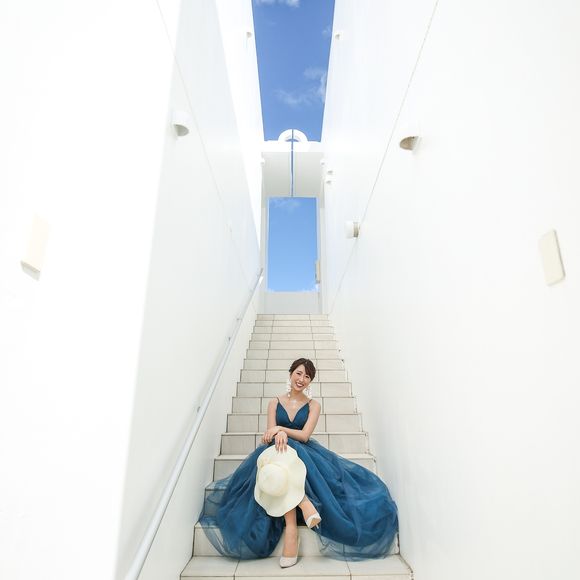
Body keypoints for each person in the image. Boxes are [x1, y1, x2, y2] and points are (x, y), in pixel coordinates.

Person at [199, 358, 399, 566]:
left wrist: (281, 430)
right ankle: (302, 506)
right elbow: (268, 435)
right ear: (291, 373)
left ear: (310, 381)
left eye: (307, 376)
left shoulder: (314, 405)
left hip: (303, 453)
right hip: (275, 451)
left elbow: (304, 436)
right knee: (280, 453)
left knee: (288, 454)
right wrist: (277, 434)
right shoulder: (274, 403)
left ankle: (292, 530)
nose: (302, 379)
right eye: (299, 373)